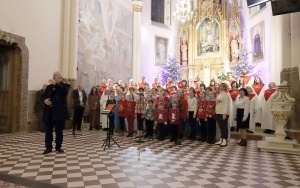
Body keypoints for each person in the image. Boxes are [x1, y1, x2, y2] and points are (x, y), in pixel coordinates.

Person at [43, 71, 70, 155]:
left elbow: (64, 92)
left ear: (60, 77)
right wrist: (45, 100)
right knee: (48, 131)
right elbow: (43, 96)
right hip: (49, 112)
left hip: (59, 112)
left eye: (56, 75)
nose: (54, 76)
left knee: (58, 131)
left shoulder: (65, 85)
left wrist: (56, 84)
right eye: (53, 75)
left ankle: (58, 147)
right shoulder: (49, 87)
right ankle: (48, 147)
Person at [215, 83, 230, 147]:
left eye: (221, 86)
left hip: (223, 113)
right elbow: (217, 103)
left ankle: (225, 140)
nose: (219, 87)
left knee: (224, 127)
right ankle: (221, 139)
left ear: (224, 87)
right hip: (218, 112)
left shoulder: (226, 95)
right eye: (219, 86)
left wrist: (225, 113)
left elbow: (226, 104)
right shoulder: (219, 95)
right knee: (221, 127)